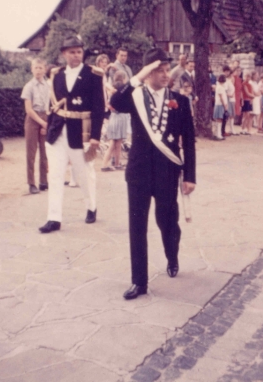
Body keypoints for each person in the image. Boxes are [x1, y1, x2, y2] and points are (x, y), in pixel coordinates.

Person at [109, 48, 196, 300]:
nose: (165, 75)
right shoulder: (135, 95)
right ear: (148, 73)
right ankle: (139, 282)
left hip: (167, 172)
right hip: (138, 172)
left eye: (167, 70)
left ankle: (172, 255)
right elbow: (114, 103)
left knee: (167, 221)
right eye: (159, 71)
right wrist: (138, 76)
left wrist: (190, 175)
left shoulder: (180, 100)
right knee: (137, 225)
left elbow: (188, 141)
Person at [40, 35, 105, 233]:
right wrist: (49, 127)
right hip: (58, 131)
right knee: (55, 175)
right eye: (72, 52)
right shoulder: (56, 75)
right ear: (64, 54)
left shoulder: (93, 74)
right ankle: (54, 218)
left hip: (81, 132)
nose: (76, 55)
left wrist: (95, 136)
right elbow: (53, 105)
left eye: (79, 51)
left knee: (84, 173)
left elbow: (99, 107)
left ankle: (91, 206)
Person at [21, 58, 50, 194]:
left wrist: (47, 122)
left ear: (45, 69)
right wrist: (41, 122)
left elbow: (50, 105)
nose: (38, 70)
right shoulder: (29, 86)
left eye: (41, 68)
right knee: (31, 153)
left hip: (45, 117)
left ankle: (43, 181)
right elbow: (29, 109)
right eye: (36, 68)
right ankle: (31, 183)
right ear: (32, 69)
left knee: (45, 152)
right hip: (33, 120)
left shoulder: (49, 85)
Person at [102, 70, 131, 170]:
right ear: (123, 79)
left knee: (117, 143)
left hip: (114, 117)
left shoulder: (113, 89)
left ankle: (117, 163)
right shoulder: (121, 90)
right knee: (114, 143)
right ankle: (105, 164)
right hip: (120, 117)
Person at [212, 74, 229, 140]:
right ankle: (218, 134)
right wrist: (225, 105)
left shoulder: (221, 87)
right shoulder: (219, 87)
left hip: (221, 105)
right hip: (219, 105)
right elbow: (221, 97)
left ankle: (218, 133)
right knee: (219, 119)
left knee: (220, 119)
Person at [241, 70, 255, 135]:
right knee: (245, 115)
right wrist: (253, 96)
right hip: (245, 100)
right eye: (246, 76)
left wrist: (251, 99)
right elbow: (247, 93)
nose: (248, 78)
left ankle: (246, 129)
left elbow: (251, 92)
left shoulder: (250, 85)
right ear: (244, 77)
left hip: (249, 101)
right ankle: (242, 129)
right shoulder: (244, 84)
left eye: (249, 77)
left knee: (248, 116)